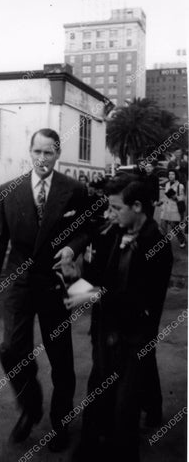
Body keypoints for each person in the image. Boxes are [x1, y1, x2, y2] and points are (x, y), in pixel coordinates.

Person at [0, 128, 90, 452]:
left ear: (58, 155)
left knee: (61, 359)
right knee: (12, 349)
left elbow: (86, 228)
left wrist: (72, 247)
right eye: (38, 152)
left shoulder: (74, 190)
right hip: (19, 281)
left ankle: (60, 421)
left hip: (54, 283)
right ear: (30, 152)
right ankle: (30, 407)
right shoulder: (8, 191)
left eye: (49, 153)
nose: (43, 159)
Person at [65, 175, 173, 462]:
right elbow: (96, 276)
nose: (108, 214)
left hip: (134, 340)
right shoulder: (112, 233)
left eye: (114, 207)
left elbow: (142, 301)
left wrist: (97, 296)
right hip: (104, 336)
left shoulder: (156, 245)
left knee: (124, 414)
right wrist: (73, 280)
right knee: (97, 405)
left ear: (137, 206)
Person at [160, 169, 186, 248]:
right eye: (169, 174)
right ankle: (164, 244)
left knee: (175, 227)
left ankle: (182, 240)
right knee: (163, 226)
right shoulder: (167, 184)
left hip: (174, 209)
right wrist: (160, 202)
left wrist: (175, 198)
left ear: (176, 176)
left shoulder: (180, 186)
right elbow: (166, 196)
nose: (170, 176)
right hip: (166, 209)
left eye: (173, 174)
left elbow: (182, 198)